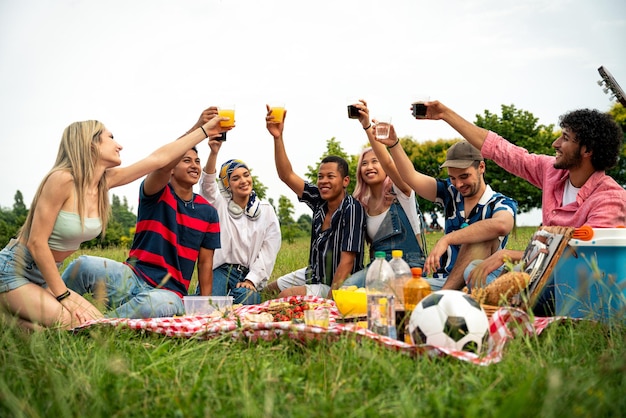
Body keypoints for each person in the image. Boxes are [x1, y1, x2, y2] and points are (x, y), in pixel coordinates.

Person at [0, 109, 229, 329]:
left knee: (92, 323)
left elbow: (159, 159)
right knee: (73, 325)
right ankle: (11, 313)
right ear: (90, 143)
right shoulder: (62, 179)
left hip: (46, 275)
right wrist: (64, 296)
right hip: (16, 269)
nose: (119, 145)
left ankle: (12, 318)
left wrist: (200, 129)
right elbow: (36, 242)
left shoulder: (103, 182)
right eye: (110, 138)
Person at [416, 101, 626, 289]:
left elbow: (583, 258)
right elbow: (500, 150)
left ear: (587, 150)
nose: (555, 144)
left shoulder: (610, 199)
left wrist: (511, 256)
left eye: (565, 138)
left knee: (486, 278)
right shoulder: (553, 173)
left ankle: (468, 301)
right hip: (535, 271)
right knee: (475, 270)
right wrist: (445, 114)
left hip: (569, 285)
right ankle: (470, 298)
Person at [61, 109, 228, 319]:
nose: (194, 165)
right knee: (82, 265)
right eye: (186, 160)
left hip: (169, 293)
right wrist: (197, 129)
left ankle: (99, 325)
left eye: (197, 161)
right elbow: (161, 161)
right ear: (172, 169)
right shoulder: (156, 192)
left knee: (156, 304)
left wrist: (205, 310)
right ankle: (55, 312)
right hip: (131, 277)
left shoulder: (209, 213)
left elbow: (205, 263)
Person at [374, 121, 518, 291]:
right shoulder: (449, 193)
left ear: (481, 167)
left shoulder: (500, 203)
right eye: (453, 178)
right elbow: (411, 177)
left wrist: (447, 239)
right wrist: (395, 145)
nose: (458, 184)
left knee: (480, 237)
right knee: (393, 291)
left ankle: (443, 299)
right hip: (443, 280)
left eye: (464, 176)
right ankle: (442, 299)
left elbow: (502, 225)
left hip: (477, 280)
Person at [264, 105, 366, 298]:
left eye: (330, 176)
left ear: (345, 181)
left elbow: (347, 261)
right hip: (313, 273)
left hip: (338, 283)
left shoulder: (352, 208)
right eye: (320, 177)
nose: (323, 181)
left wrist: (331, 300)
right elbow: (286, 175)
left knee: (286, 296)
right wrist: (278, 137)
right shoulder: (319, 200)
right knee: (267, 291)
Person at [341, 99, 425, 288]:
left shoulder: (402, 194)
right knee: (347, 289)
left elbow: (388, 161)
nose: (369, 167)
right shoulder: (360, 203)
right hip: (377, 269)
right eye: (364, 163)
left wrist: (367, 126)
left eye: (374, 161)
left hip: (409, 268)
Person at [197, 124, 281, 305]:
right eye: (235, 178)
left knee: (247, 300)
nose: (243, 181)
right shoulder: (219, 204)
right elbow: (207, 186)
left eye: (246, 175)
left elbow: (269, 250)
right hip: (219, 270)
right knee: (208, 306)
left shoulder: (265, 210)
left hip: (248, 274)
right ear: (227, 185)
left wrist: (252, 279)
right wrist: (213, 153)